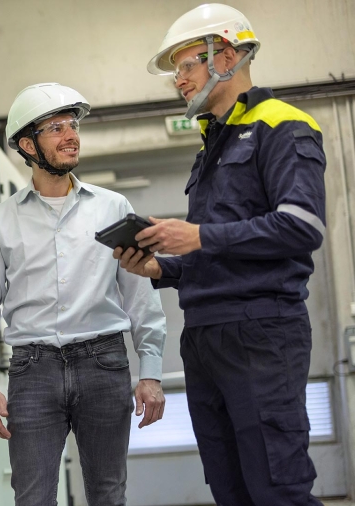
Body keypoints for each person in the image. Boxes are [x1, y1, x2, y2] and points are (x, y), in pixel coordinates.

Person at [115, 4, 326, 505]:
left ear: (227, 56)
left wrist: (199, 236)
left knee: (277, 488)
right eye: (176, 72)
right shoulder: (213, 141)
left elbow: (302, 226)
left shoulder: (282, 125)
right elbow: (213, 250)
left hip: (260, 334)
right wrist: (159, 267)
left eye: (187, 65)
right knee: (231, 489)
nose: (179, 81)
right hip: (205, 336)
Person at [0, 82, 166, 506]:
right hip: (32, 372)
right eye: (56, 128)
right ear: (27, 144)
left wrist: (149, 370)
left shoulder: (112, 207)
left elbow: (140, 295)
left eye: (72, 124)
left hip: (104, 363)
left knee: (108, 494)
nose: (71, 134)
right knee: (33, 497)